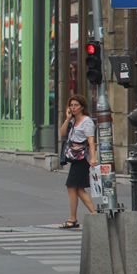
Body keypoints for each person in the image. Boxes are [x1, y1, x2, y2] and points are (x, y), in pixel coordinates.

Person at [58, 93, 97, 229]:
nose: (73, 108)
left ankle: (74, 218)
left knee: (71, 186)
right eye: (71, 105)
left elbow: (91, 141)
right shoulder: (73, 120)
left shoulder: (87, 122)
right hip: (75, 158)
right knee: (78, 189)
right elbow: (62, 133)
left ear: (82, 107)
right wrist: (68, 119)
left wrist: (93, 157)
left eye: (76, 105)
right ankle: (94, 215)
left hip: (82, 159)